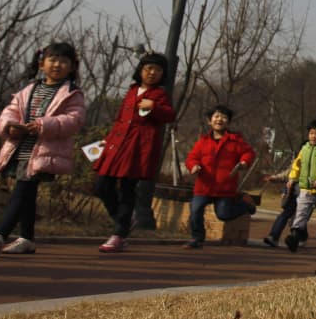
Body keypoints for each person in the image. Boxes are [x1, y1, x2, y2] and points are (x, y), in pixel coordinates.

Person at [0, 42, 86, 257]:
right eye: (52, 60)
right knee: (27, 192)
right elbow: (11, 111)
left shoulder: (72, 94)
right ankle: (27, 239)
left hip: (45, 151)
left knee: (23, 189)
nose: (57, 65)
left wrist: (43, 125)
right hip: (21, 148)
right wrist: (10, 126)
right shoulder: (29, 89)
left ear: (72, 67)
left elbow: (74, 120)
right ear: (41, 63)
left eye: (63, 61)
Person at [91, 53, 174, 253]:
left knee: (128, 189)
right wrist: (108, 140)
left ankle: (119, 234)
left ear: (163, 74)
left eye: (157, 69)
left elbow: (170, 115)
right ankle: (125, 220)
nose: (152, 73)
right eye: (148, 68)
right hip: (118, 143)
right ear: (140, 70)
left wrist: (153, 106)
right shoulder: (132, 91)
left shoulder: (160, 95)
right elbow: (120, 119)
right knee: (102, 185)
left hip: (138, 147)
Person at [183, 105, 257, 249]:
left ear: (228, 122)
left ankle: (246, 204)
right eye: (216, 116)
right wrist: (194, 166)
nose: (219, 119)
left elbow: (249, 153)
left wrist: (244, 161)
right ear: (209, 121)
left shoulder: (235, 141)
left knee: (223, 214)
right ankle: (197, 238)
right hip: (204, 186)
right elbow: (191, 157)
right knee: (195, 209)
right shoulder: (202, 142)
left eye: (223, 117)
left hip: (225, 187)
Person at [284, 118, 316, 253]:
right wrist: (292, 178)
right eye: (311, 133)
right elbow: (297, 165)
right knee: (301, 212)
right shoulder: (304, 149)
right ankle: (294, 237)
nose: (313, 136)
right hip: (305, 188)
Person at [260, 168, 299, 248]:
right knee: (285, 215)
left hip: (310, 194)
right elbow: (287, 174)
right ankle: (273, 237)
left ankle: (301, 237)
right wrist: (274, 178)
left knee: (300, 218)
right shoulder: (299, 160)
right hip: (294, 194)